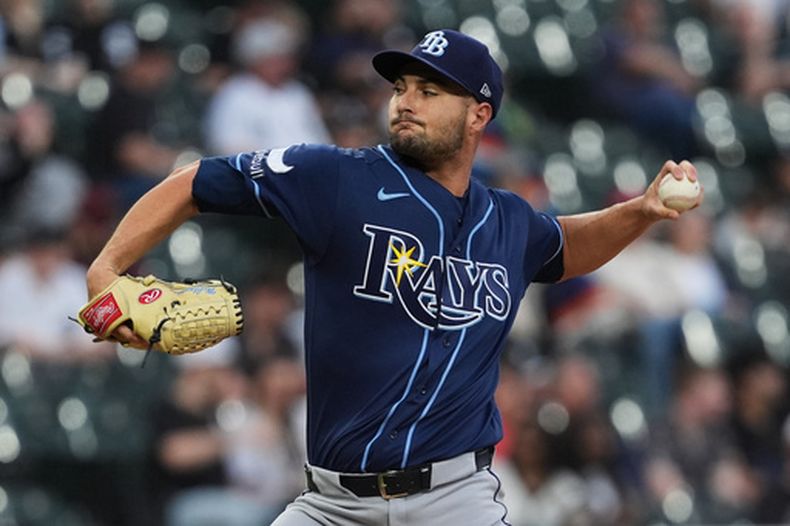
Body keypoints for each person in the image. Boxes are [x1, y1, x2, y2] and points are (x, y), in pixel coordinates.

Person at [84, 29, 702, 525]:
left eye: (430, 90)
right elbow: (193, 182)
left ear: (478, 114)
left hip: (455, 501)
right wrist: (107, 270)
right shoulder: (335, 179)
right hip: (331, 504)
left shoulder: (507, 220)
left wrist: (640, 211)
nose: (406, 100)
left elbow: (567, 245)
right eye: (402, 86)